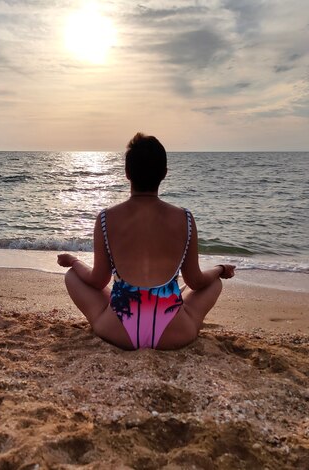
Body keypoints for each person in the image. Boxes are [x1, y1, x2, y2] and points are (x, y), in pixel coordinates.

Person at [57, 133, 235, 350]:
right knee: (211, 283)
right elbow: (196, 280)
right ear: (164, 174)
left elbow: (97, 281)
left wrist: (74, 261)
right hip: (173, 332)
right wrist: (219, 269)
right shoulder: (185, 219)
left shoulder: (106, 218)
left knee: (72, 277)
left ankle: (110, 319)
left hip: (119, 330)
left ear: (127, 173)